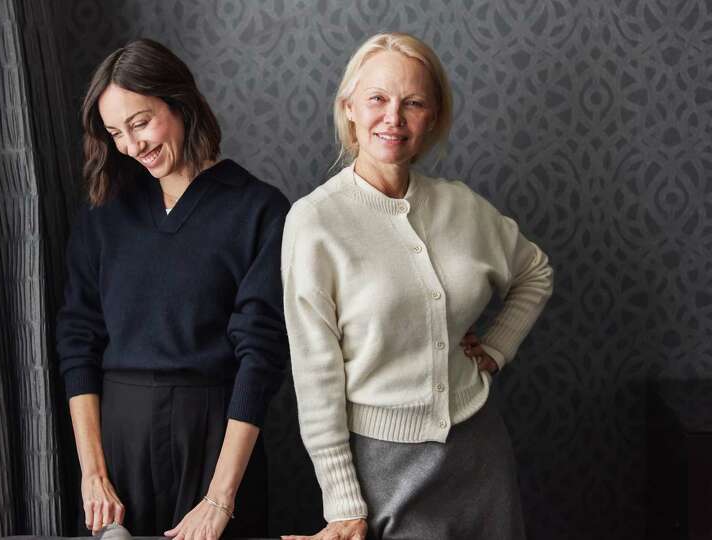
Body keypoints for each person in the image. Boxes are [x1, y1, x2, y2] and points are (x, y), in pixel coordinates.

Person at [281, 33, 554, 540]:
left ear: (432, 117)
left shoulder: (463, 207)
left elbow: (534, 271)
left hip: (480, 453)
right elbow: (315, 373)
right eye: (377, 99)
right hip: (383, 466)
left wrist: (496, 347)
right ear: (350, 110)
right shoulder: (315, 221)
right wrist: (342, 503)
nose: (394, 117)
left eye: (413, 103)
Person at [55, 38, 290, 539]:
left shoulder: (260, 210)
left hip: (217, 441)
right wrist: (92, 473)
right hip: (116, 444)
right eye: (116, 132)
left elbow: (262, 357)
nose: (131, 146)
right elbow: (78, 340)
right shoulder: (104, 213)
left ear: (179, 103)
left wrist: (220, 497)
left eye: (141, 122)